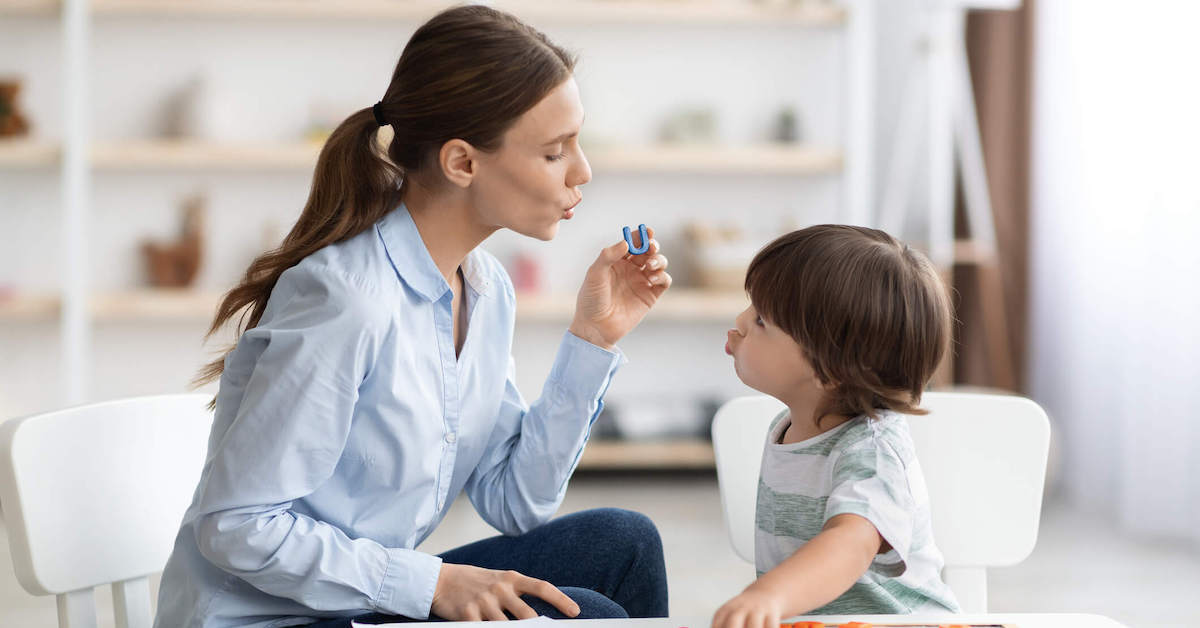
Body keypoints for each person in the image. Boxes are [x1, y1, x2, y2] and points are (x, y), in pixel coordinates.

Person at [154, 6, 672, 627]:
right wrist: (430, 584)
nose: (583, 171)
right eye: (556, 152)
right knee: (579, 615)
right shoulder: (345, 300)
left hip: (353, 608)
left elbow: (516, 501)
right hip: (274, 621)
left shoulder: (486, 290)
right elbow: (235, 526)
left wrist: (592, 339)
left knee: (626, 543)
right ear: (462, 163)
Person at [714, 225, 961, 628]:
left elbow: (851, 543)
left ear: (830, 370)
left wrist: (769, 595)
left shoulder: (873, 451)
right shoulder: (792, 424)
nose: (739, 322)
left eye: (760, 320)